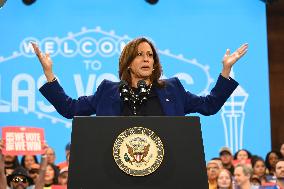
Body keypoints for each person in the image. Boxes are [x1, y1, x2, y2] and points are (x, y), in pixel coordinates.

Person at [31, 37, 248, 117]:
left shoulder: (172, 88)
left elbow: (209, 106)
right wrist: (49, 73)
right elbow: (71, 109)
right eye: (139, 55)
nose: (146, 59)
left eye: (150, 55)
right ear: (128, 62)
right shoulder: (108, 90)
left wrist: (225, 71)